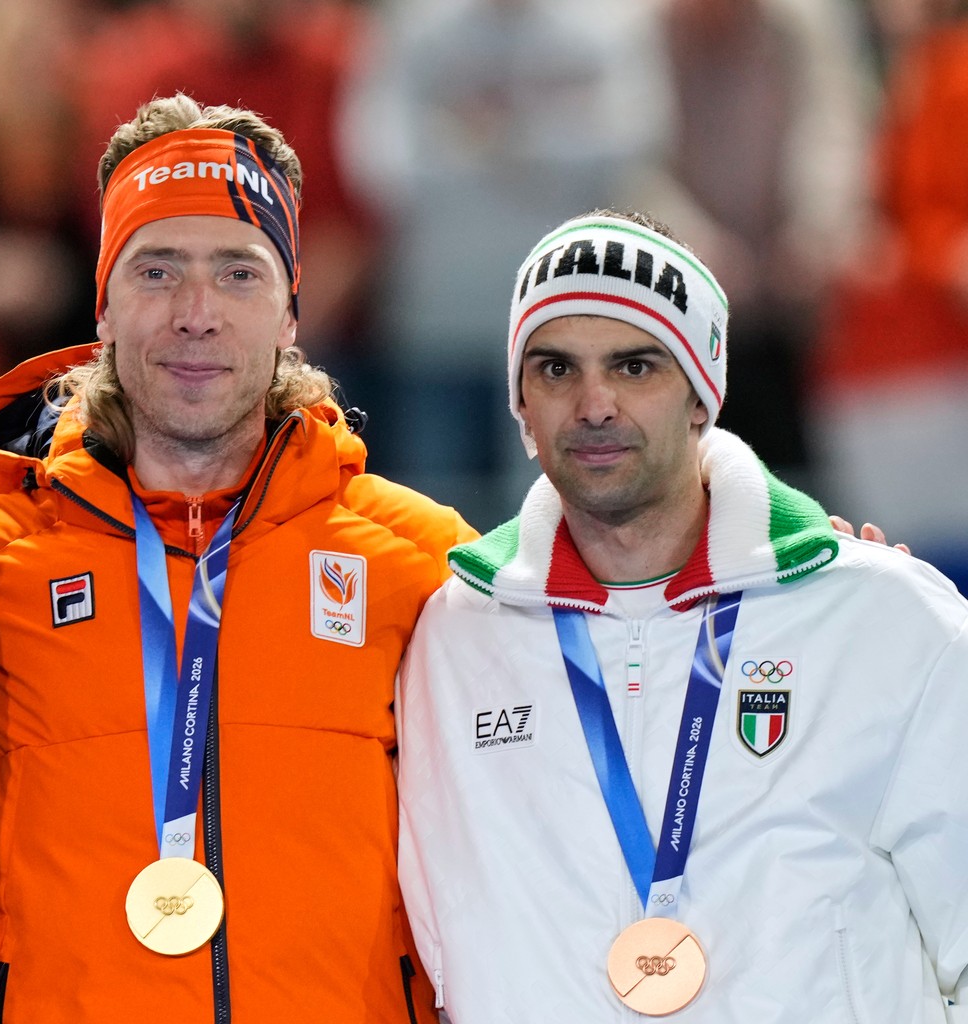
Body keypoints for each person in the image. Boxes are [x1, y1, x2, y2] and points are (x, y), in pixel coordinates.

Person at [0, 93, 475, 1021]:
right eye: (156, 271)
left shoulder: (420, 565)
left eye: (238, 272)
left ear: (290, 314)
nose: (196, 314)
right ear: (101, 308)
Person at [396, 210, 968, 1021]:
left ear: (703, 395)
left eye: (636, 366)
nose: (594, 405)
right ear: (521, 406)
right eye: (556, 370)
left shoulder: (883, 620)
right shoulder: (451, 640)